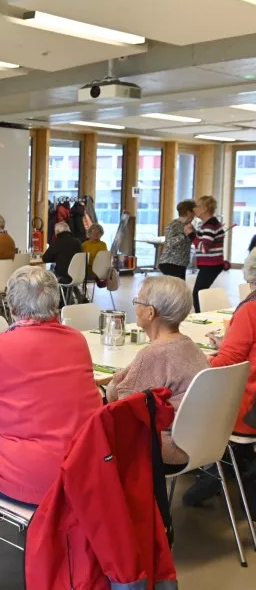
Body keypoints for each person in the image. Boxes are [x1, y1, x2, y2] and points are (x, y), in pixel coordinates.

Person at [0, 266, 101, 589]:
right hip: (84, 467)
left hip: (36, 475)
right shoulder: (77, 340)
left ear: (11, 308)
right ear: (55, 304)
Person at [106, 276, 208, 470]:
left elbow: (123, 407)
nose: (135, 306)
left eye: (138, 302)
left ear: (151, 312)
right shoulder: (191, 346)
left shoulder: (153, 354)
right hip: (202, 440)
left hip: (168, 445)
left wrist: (112, 387)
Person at [183, 247, 256, 507]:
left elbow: (227, 363)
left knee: (184, 398)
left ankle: (203, 467)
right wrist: (230, 342)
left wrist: (196, 361)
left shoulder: (250, 310)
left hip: (245, 409)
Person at [188, 195, 226, 312]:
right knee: (200, 292)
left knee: (197, 294)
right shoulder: (207, 224)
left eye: (197, 206)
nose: (194, 209)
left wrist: (191, 234)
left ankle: (200, 318)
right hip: (210, 265)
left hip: (211, 265)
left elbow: (204, 248)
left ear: (205, 208)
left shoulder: (210, 226)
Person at [159, 200, 196, 280]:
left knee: (180, 288)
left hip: (182, 263)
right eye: (194, 213)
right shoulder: (173, 225)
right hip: (170, 262)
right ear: (189, 212)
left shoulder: (190, 226)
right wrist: (183, 235)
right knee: (176, 289)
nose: (195, 215)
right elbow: (169, 243)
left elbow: (195, 239)